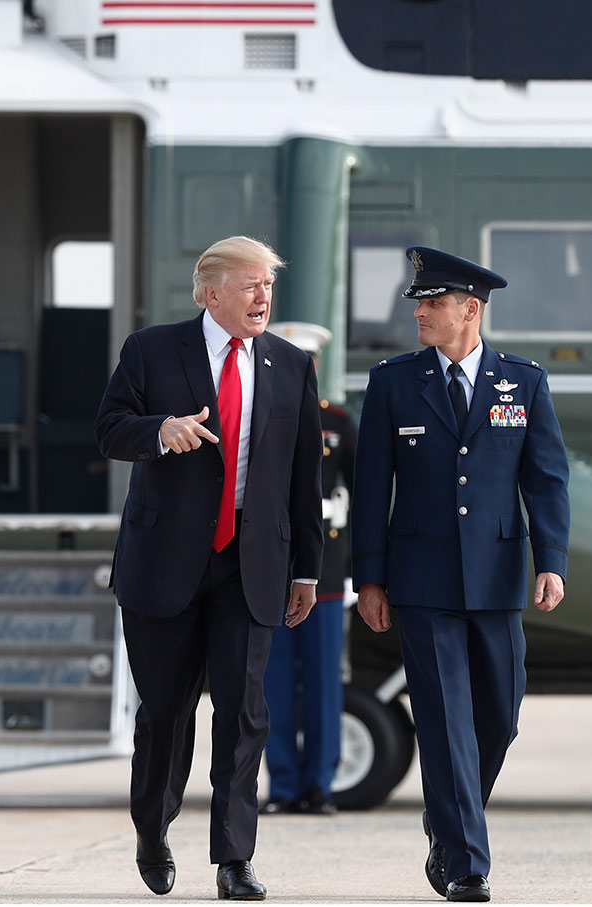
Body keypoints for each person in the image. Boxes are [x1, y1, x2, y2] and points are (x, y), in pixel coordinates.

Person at [95, 236, 324, 901]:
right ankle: (153, 826)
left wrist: (306, 570)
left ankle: (233, 857)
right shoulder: (151, 350)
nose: (263, 297)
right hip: (164, 562)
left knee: (244, 710)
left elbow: (301, 478)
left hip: (249, 565)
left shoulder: (291, 363)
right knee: (165, 711)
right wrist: (160, 430)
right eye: (250, 284)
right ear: (210, 291)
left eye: (269, 286)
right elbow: (109, 429)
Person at [351, 247, 569, 903]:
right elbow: (370, 488)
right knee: (445, 720)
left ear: (469, 310)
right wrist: (370, 578)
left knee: (497, 719)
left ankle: (446, 824)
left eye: (432, 303)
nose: (419, 312)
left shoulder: (522, 381)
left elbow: (547, 478)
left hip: (499, 576)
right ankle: (468, 863)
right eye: (418, 302)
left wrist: (551, 560)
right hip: (420, 580)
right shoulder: (393, 382)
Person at [260, 322, 353, 817]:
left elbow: (363, 495)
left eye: (308, 362)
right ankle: (283, 785)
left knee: (321, 683)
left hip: (327, 573)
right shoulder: (258, 415)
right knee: (272, 684)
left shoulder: (337, 421)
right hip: (269, 569)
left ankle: (320, 785)